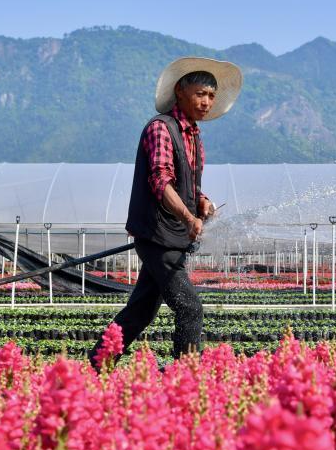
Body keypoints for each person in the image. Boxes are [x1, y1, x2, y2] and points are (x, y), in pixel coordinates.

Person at [89, 57, 242, 366]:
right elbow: (160, 181)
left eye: (211, 96)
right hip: (157, 235)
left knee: (141, 309)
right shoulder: (161, 128)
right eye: (200, 94)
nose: (206, 102)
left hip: (173, 237)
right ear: (179, 91)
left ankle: (97, 363)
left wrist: (202, 202)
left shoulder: (194, 136)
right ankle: (185, 377)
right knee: (190, 307)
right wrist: (188, 218)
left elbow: (187, 184)